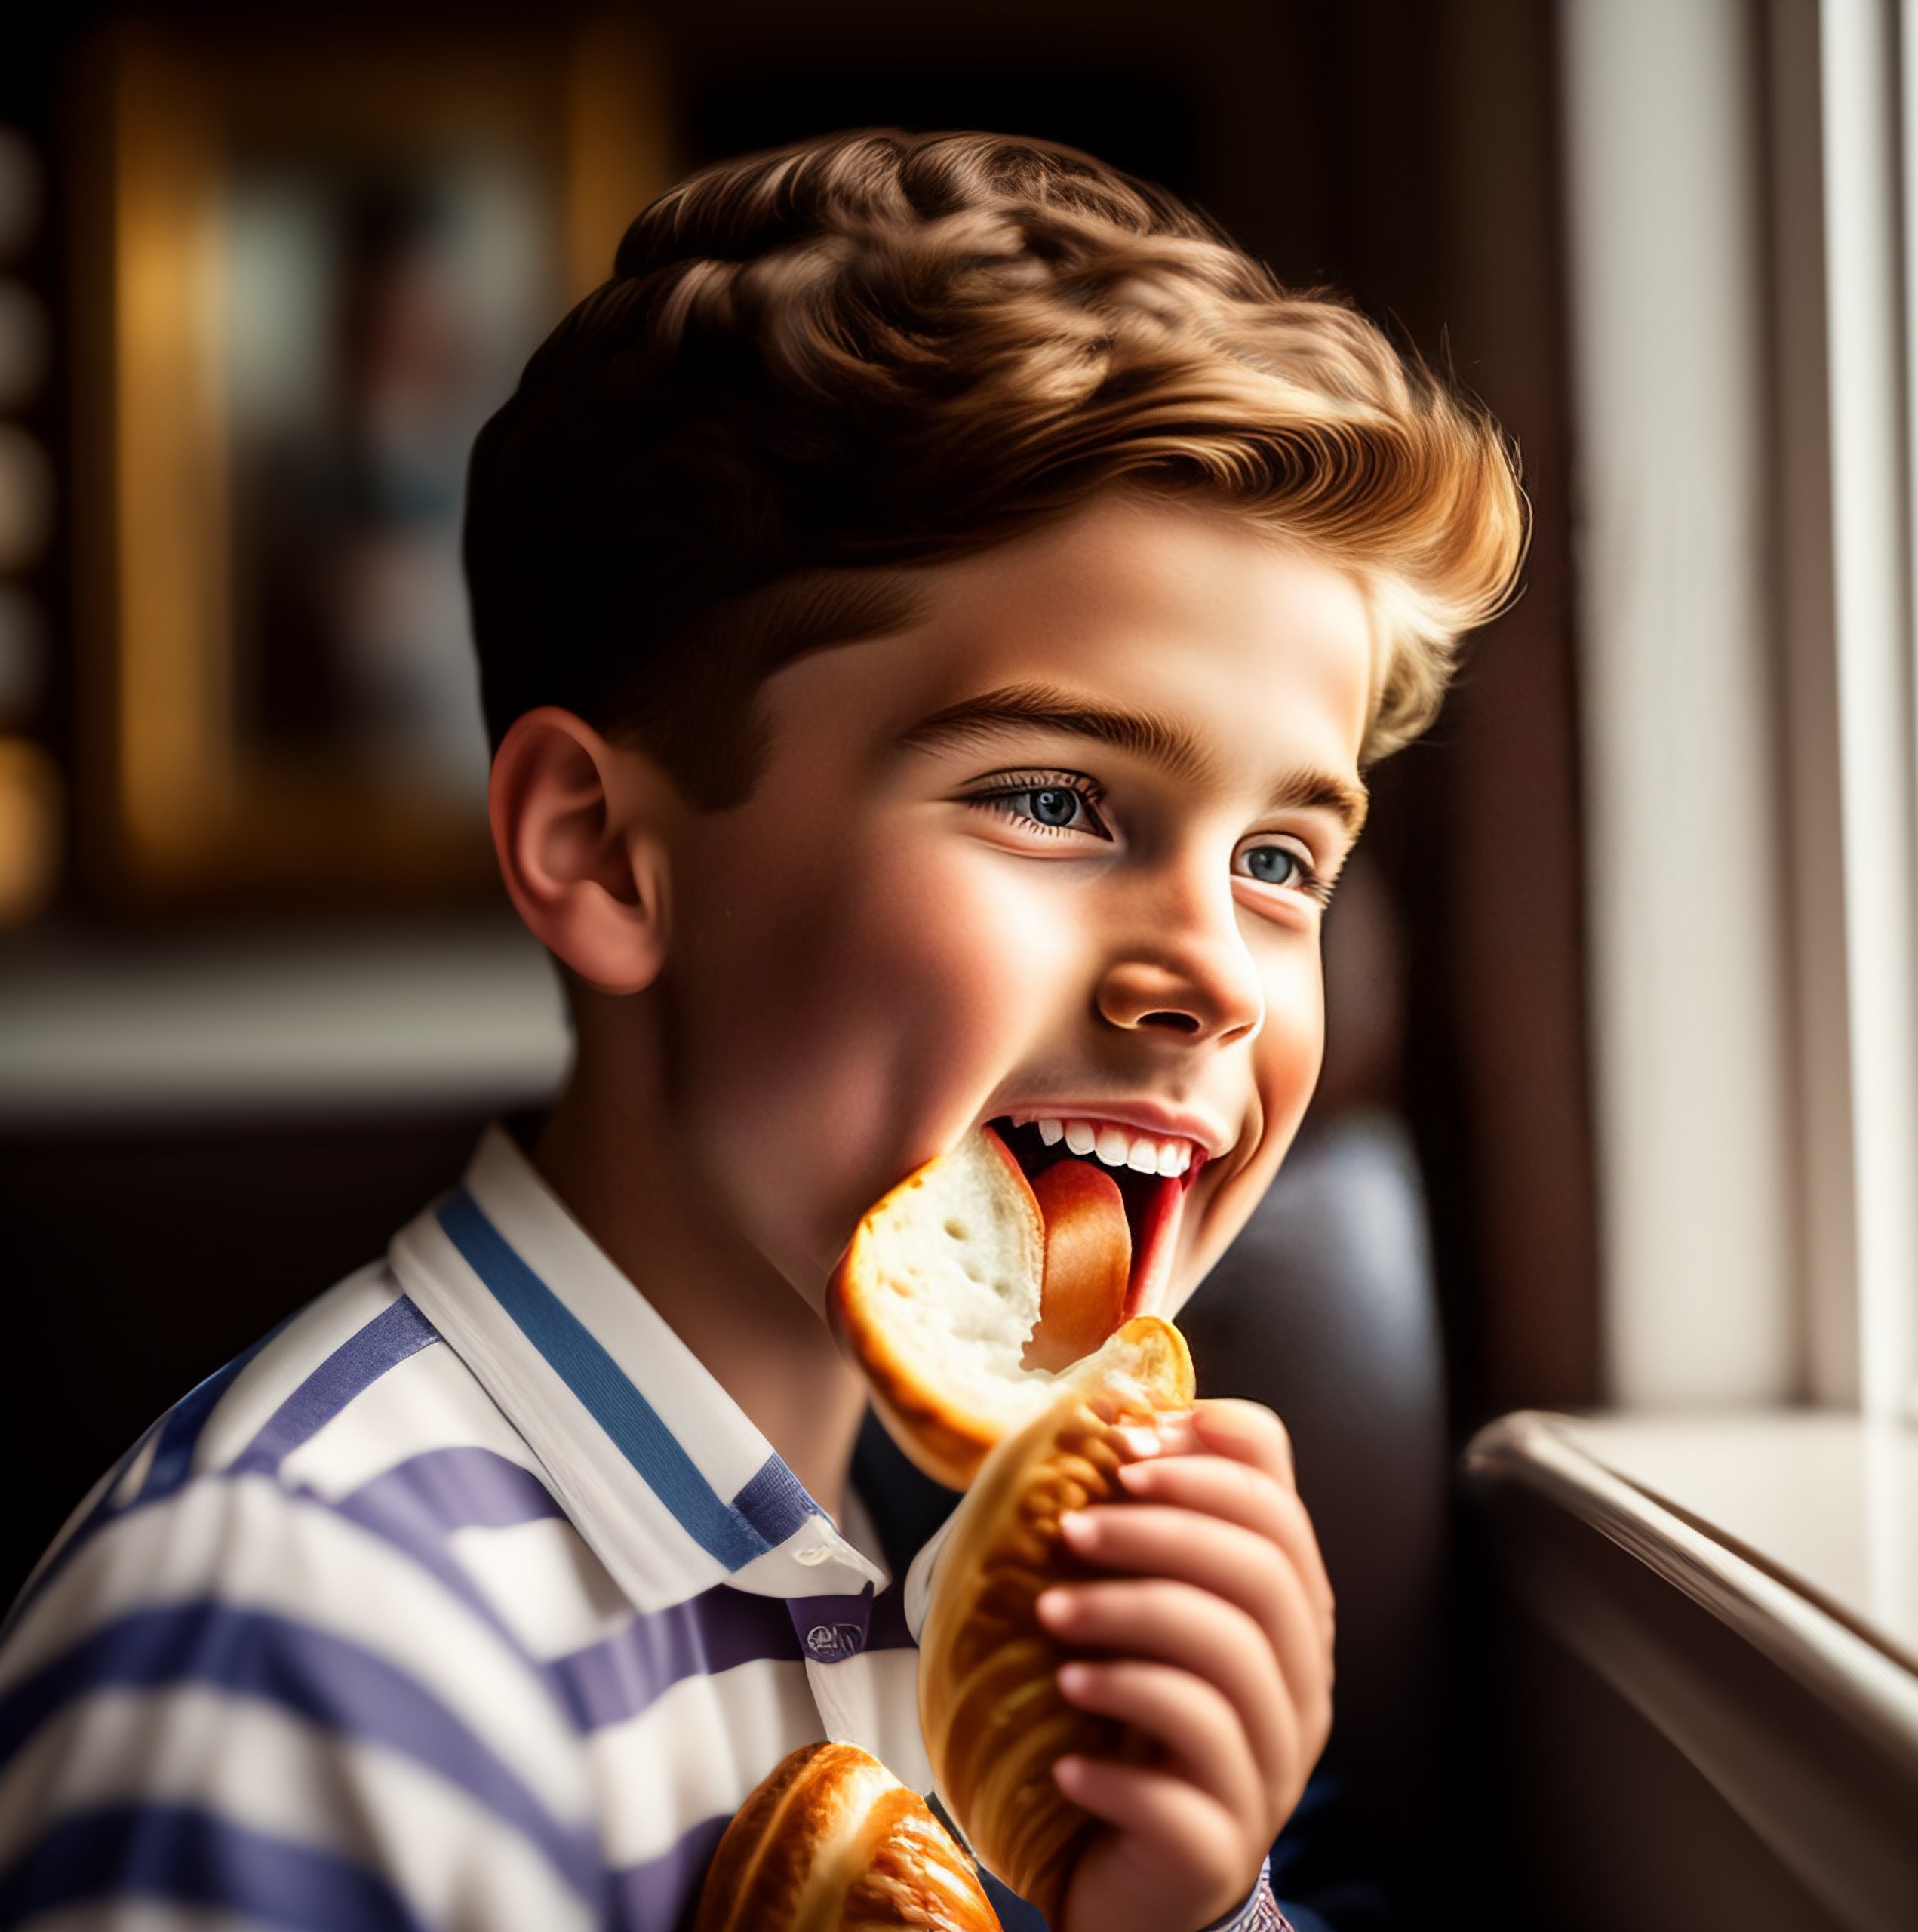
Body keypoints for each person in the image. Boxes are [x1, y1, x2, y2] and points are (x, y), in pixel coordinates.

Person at [0, 131, 1523, 1931]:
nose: (1216, 971)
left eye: (1281, 855)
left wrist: (1188, 1911)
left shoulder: (1027, 1630)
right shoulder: (289, 1648)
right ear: (605, 855)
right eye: (1053, 797)